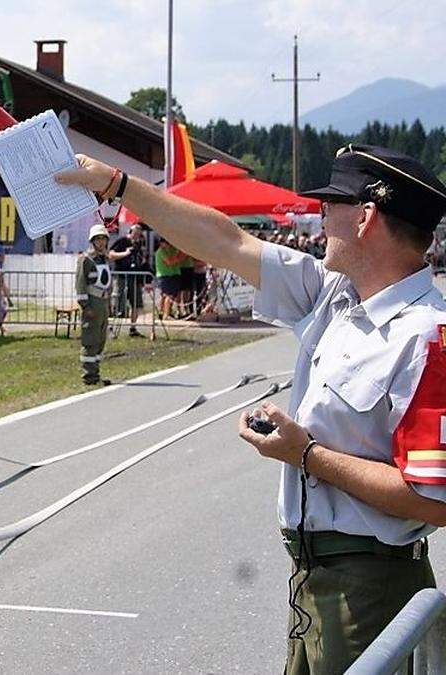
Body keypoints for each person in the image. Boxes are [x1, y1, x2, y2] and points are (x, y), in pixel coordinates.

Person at [56, 144, 446, 674]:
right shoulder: (335, 294)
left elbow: (431, 501)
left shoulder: (427, 337)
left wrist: (305, 453)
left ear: (366, 217)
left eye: (331, 204)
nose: (320, 215)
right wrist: (117, 185)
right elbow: (226, 241)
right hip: (315, 579)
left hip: (370, 588)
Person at [75, 223, 113, 386]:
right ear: (92, 241)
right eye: (97, 239)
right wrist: (85, 306)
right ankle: (89, 376)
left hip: (103, 302)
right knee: (90, 339)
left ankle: (96, 373)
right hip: (92, 302)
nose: (101, 242)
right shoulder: (86, 259)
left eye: (103, 239)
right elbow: (80, 284)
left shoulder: (104, 258)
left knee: (100, 339)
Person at [108, 223, 148, 337]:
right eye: (135, 234)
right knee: (119, 303)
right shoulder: (122, 241)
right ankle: (112, 327)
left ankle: (133, 328)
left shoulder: (139, 244)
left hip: (135, 277)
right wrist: (125, 253)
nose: (137, 236)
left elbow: (141, 259)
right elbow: (111, 254)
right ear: (130, 232)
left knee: (136, 303)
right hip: (122, 277)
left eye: (139, 235)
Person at [154, 238, 184, 319]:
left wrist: (178, 257)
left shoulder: (171, 250)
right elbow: (169, 262)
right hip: (164, 275)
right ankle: (166, 315)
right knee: (168, 296)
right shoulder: (161, 251)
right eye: (166, 243)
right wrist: (179, 257)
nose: (168, 244)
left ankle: (163, 312)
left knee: (168, 296)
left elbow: (178, 259)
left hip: (173, 275)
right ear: (161, 243)